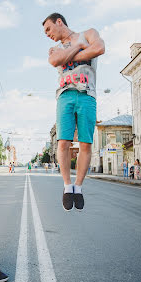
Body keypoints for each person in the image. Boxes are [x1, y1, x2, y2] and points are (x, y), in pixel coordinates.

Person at [43, 13, 105, 211]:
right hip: (65, 94)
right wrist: (81, 48)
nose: (48, 35)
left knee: (85, 143)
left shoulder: (89, 33)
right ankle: (67, 186)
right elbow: (55, 61)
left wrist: (70, 53)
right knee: (63, 142)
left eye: (48, 29)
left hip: (87, 94)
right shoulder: (54, 49)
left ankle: (78, 187)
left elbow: (100, 48)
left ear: (59, 22)